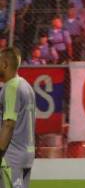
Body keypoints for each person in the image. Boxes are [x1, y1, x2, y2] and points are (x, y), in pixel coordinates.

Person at [0, 47, 35, 188]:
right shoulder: (26, 86)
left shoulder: (11, 88)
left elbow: (9, 124)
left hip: (11, 156)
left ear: (5, 64)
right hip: (27, 154)